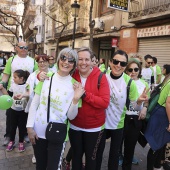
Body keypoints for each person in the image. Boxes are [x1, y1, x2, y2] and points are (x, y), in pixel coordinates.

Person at [26, 47, 84, 170]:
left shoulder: (75, 85)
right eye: (63, 58)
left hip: (58, 134)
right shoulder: (46, 77)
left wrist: (75, 99)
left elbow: (71, 116)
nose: (66, 62)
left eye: (71, 60)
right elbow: (35, 104)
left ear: (74, 65)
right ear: (58, 60)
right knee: (40, 166)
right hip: (38, 132)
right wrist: (29, 127)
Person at [98, 50, 149, 170]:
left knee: (114, 156)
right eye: (116, 61)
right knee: (97, 154)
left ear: (125, 66)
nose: (118, 65)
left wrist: (139, 102)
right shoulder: (102, 76)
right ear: (110, 62)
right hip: (101, 123)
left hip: (118, 124)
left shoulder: (129, 82)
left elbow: (135, 107)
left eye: (122, 63)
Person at [68, 47, 110, 170]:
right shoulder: (72, 73)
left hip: (94, 128)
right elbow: (55, 75)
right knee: (76, 157)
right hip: (75, 125)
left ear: (92, 61)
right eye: (80, 59)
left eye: (87, 59)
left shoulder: (101, 77)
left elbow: (104, 102)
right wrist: (40, 75)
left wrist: (85, 95)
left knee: (91, 159)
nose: (83, 62)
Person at [0, 41, 38, 145]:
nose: (24, 49)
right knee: (10, 115)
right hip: (12, 90)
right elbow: (6, 75)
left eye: (26, 47)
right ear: (16, 48)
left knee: (25, 114)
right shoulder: (11, 60)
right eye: (21, 47)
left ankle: (24, 135)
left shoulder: (33, 61)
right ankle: (8, 136)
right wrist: (2, 83)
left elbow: (36, 75)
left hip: (26, 91)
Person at [121, 59, 149, 170]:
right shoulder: (123, 81)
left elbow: (147, 100)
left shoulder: (144, 83)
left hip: (136, 118)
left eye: (136, 69)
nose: (133, 72)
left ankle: (126, 166)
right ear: (126, 70)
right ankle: (119, 156)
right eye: (130, 69)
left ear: (139, 70)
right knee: (117, 146)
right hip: (122, 117)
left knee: (130, 147)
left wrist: (145, 109)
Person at [25, 54, 51, 164]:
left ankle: (49, 154)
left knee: (47, 133)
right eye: (40, 62)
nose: (42, 64)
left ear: (48, 62)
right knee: (34, 133)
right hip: (34, 108)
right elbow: (27, 89)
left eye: (44, 61)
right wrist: (23, 95)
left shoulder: (53, 74)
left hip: (47, 110)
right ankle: (36, 154)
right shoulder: (32, 76)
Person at [145, 72, 170, 170]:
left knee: (159, 143)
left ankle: (156, 165)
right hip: (163, 114)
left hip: (161, 113)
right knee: (155, 144)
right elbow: (168, 103)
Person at [0, 69, 30, 152]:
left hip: (23, 111)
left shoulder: (27, 86)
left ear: (21, 78)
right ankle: (11, 141)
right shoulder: (13, 85)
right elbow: (8, 96)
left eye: (15, 77)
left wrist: (23, 96)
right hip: (13, 110)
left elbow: (29, 96)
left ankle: (21, 142)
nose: (13, 79)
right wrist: (2, 89)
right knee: (12, 127)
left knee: (22, 128)